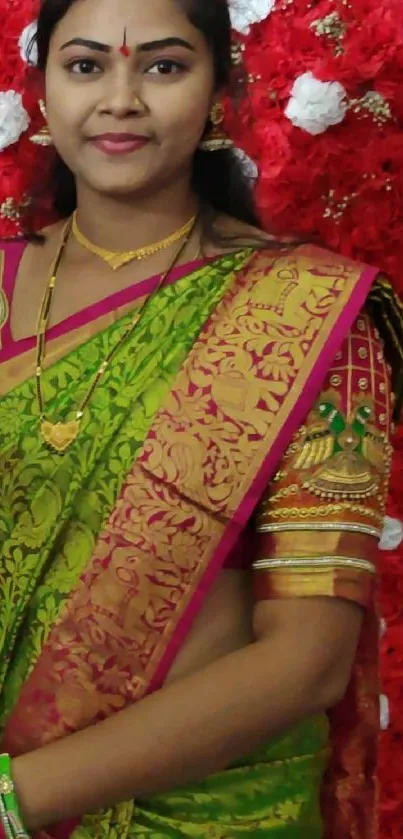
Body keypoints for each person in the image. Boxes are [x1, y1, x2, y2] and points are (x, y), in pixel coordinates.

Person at [0, 0, 402, 837]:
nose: (120, 98)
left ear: (219, 93)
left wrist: (14, 798)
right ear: (42, 95)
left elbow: (304, 661)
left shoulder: (306, 316)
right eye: (85, 66)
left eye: (162, 66)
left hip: (196, 813)